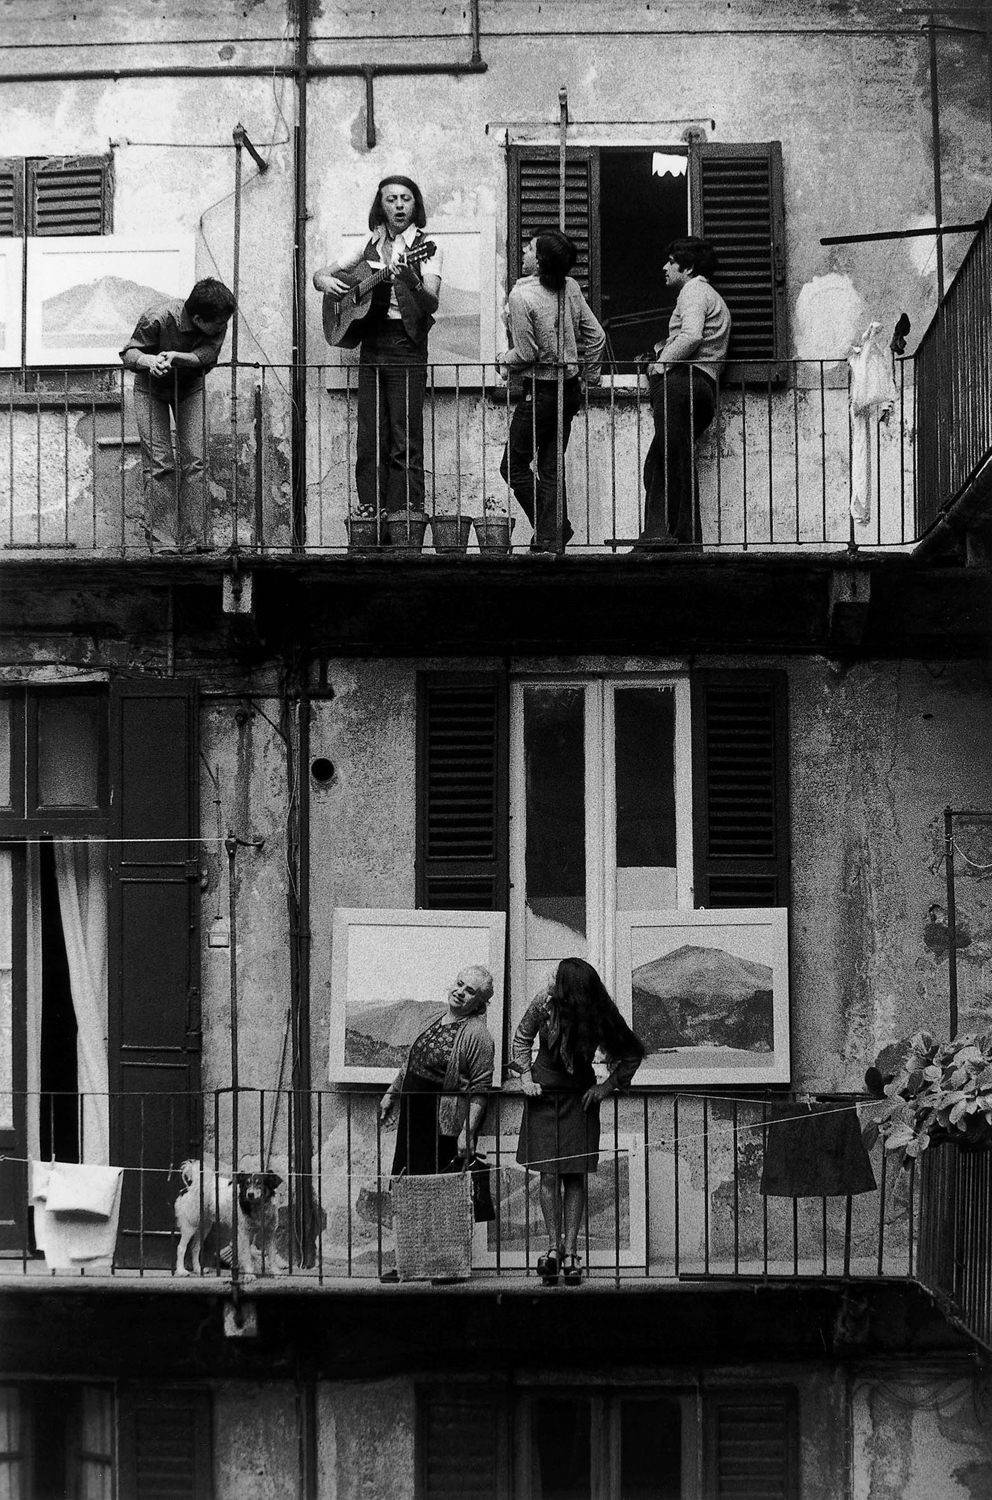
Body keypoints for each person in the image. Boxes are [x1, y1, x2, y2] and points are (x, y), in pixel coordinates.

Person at [313, 176, 443, 530]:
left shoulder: (426, 246)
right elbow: (322, 274)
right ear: (380, 206)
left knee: (404, 438)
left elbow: (431, 301)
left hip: (406, 345)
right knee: (369, 437)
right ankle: (371, 519)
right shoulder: (370, 243)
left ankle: (405, 520)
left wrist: (410, 279)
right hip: (371, 345)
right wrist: (324, 281)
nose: (399, 205)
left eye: (406, 199)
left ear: (415, 205)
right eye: (391, 199)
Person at [509, 957, 644, 1285]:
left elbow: (631, 1053)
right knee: (549, 1176)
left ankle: (570, 1254)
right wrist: (526, 1078)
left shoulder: (600, 1010)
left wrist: (605, 1087)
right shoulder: (544, 1003)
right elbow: (521, 1039)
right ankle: (553, 1250)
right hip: (542, 1098)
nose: (554, 983)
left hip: (579, 1100)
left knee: (575, 1176)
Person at [499, 230, 605, 552]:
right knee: (550, 469)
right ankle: (551, 536)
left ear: (539, 261)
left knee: (513, 467)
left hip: (541, 392)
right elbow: (597, 336)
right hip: (569, 390)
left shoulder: (521, 296)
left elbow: (526, 354)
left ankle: (553, 529)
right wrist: (590, 376)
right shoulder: (570, 287)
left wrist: (502, 359)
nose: (524, 251)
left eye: (530, 248)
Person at [120, 278, 236, 554]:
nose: (223, 328)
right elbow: (129, 354)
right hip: (150, 390)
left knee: (196, 461)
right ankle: (163, 545)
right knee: (160, 463)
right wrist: (151, 361)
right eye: (218, 324)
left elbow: (204, 358)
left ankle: (197, 541)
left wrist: (174, 357)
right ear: (198, 318)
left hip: (189, 388)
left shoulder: (219, 319)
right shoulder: (157, 317)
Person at [636, 237, 730, 549]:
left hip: (683, 383)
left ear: (687, 268)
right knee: (660, 462)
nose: (665, 267)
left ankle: (677, 539)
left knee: (671, 460)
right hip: (701, 387)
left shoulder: (692, 291)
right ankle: (660, 534)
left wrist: (660, 365)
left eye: (671, 262)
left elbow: (690, 336)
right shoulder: (708, 294)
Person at [379, 965, 496, 1180]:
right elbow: (411, 1063)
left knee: (436, 1187)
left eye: (470, 991)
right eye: (459, 984)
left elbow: (481, 1089)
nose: (460, 992)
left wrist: (468, 1133)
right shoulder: (434, 1019)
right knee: (407, 1181)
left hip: (441, 1124)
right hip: (413, 1119)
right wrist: (391, 1093)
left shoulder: (478, 1035)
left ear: (480, 1003)